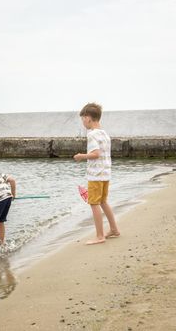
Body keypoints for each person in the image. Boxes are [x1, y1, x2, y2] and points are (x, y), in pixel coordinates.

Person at [73, 102, 120, 245]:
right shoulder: (104, 134)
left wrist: (81, 156)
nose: (83, 122)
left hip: (95, 175)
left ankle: (100, 236)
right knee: (103, 202)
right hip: (105, 173)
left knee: (94, 203)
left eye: (83, 119)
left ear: (88, 118)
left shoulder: (92, 134)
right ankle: (114, 230)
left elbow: (95, 154)